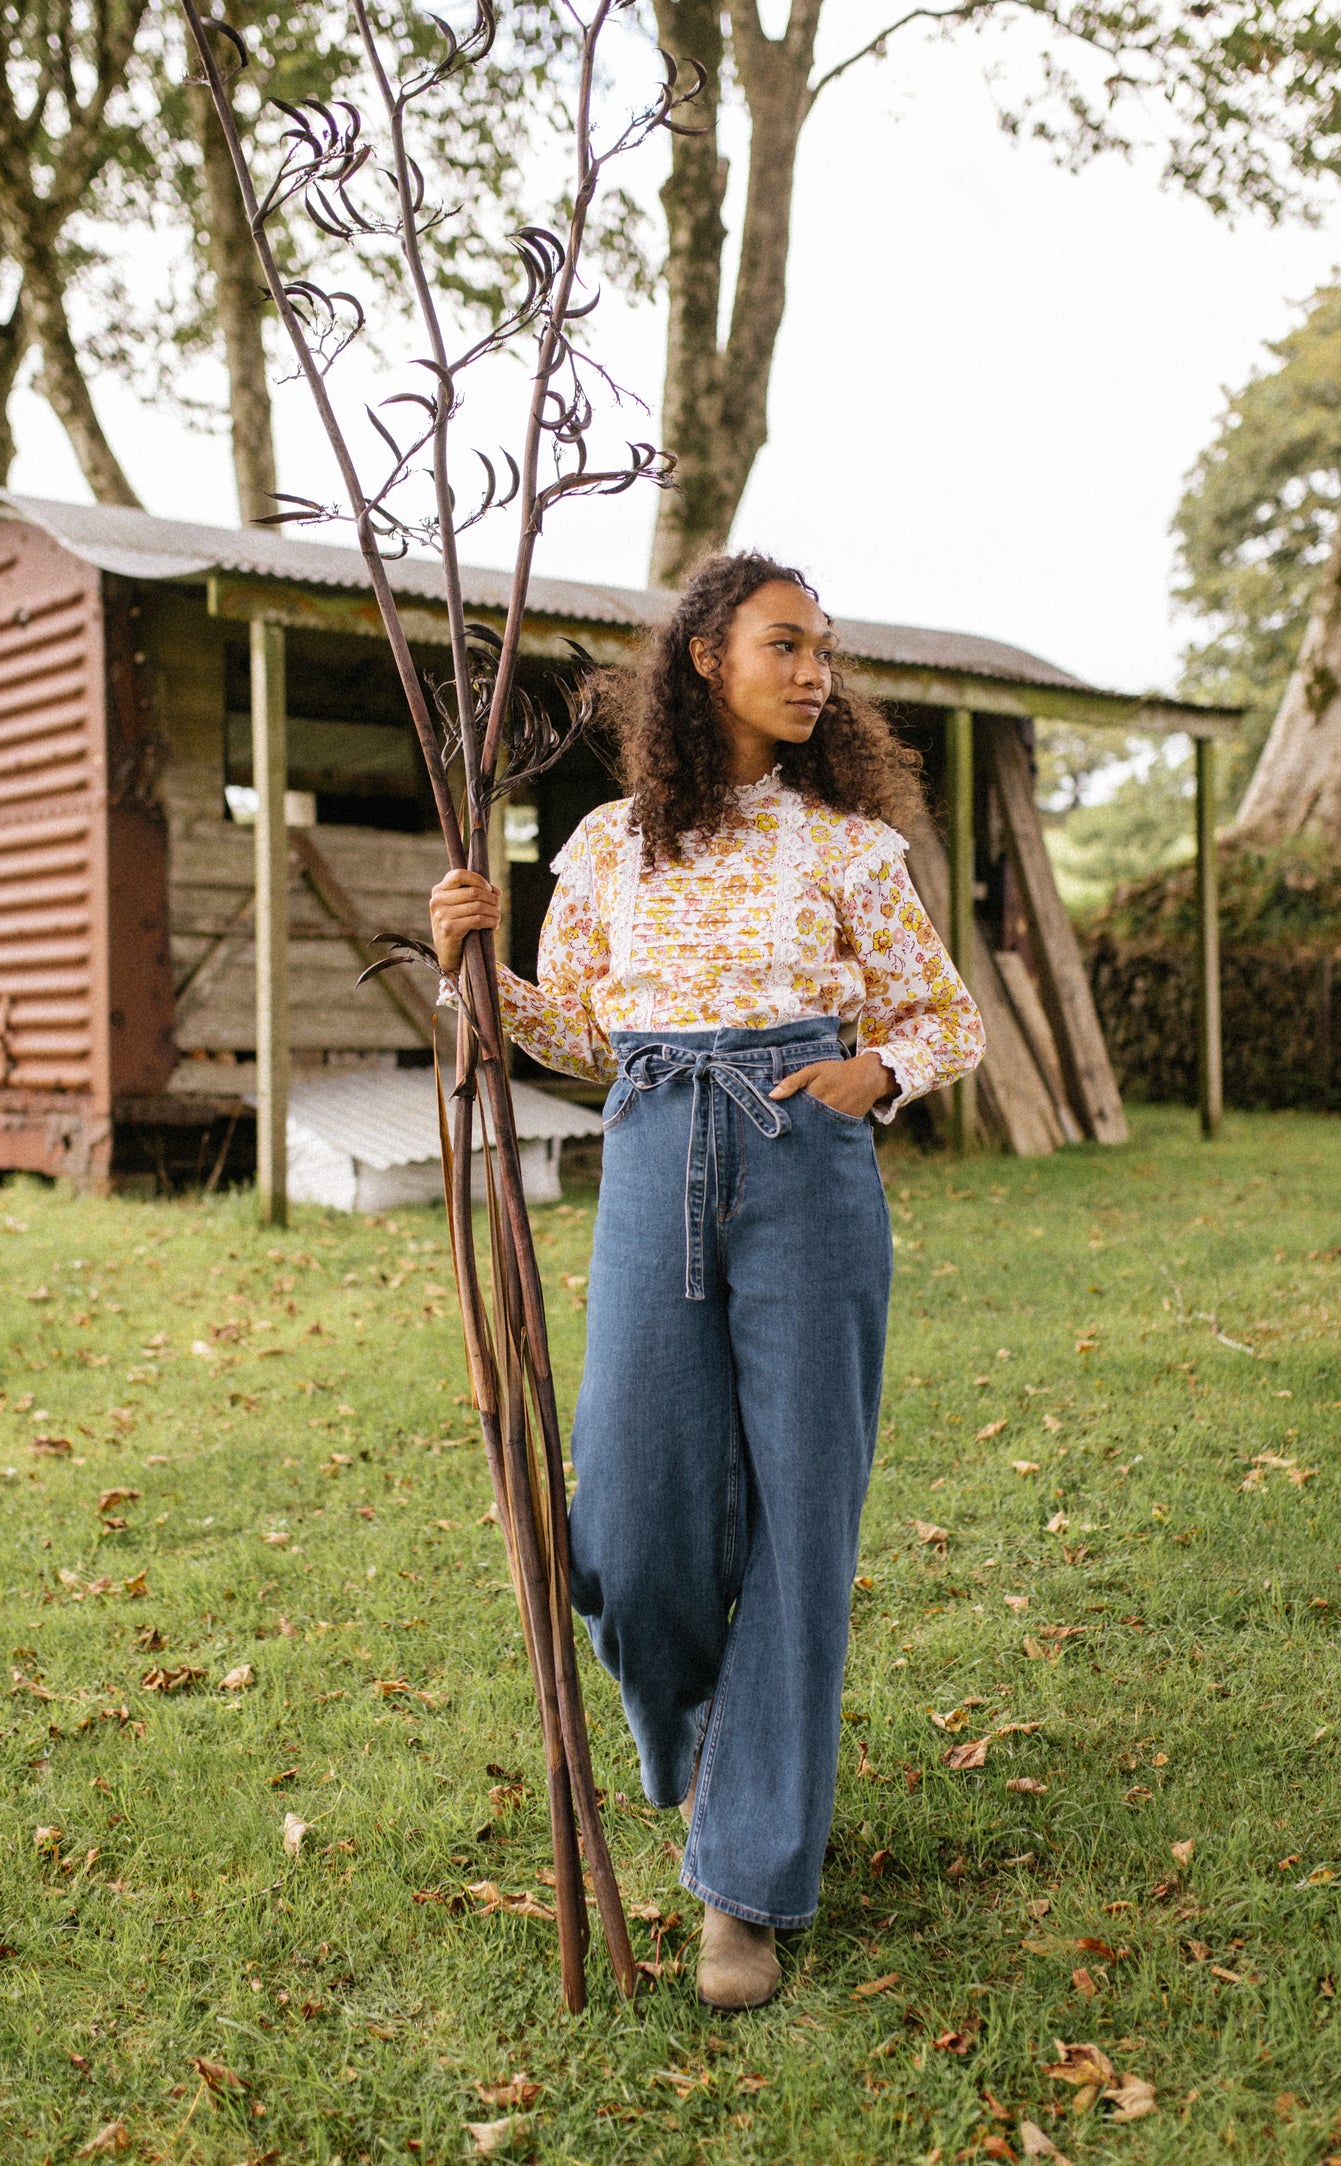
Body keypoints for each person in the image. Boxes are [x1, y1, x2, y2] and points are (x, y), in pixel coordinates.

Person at [430, 551, 985, 2011]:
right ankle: (694, 1756)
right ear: (698, 657)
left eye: (824, 652)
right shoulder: (609, 845)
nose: (814, 672)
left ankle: (742, 1883)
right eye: (784, 645)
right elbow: (572, 1034)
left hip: (804, 1170)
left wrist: (870, 1070)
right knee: (620, 1511)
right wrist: (471, 970)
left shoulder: (849, 845)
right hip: (652, 1144)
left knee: (802, 1517)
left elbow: (944, 1014)